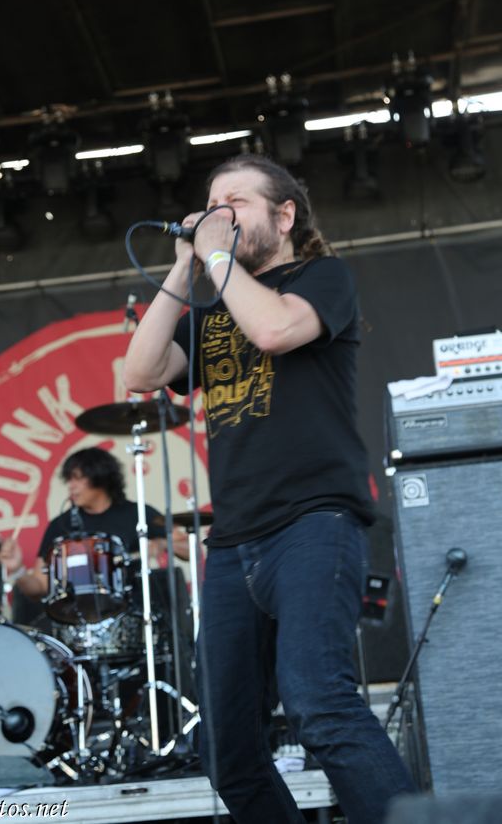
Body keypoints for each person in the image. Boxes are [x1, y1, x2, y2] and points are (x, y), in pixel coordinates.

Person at [123, 154, 416, 824]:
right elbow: (140, 373)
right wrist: (184, 266)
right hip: (234, 543)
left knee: (319, 702)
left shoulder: (323, 278)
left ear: (284, 217)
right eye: (211, 203)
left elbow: (274, 330)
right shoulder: (211, 306)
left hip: (314, 522)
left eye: (236, 202)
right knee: (225, 748)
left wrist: (217, 257)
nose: (219, 214)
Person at [0, 446, 185, 599]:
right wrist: (17, 571)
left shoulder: (138, 514)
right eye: (69, 479)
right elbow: (39, 586)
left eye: (78, 478)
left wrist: (162, 543)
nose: (71, 486)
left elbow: (188, 549)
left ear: (100, 477)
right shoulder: (59, 525)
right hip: (76, 617)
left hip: (136, 611)